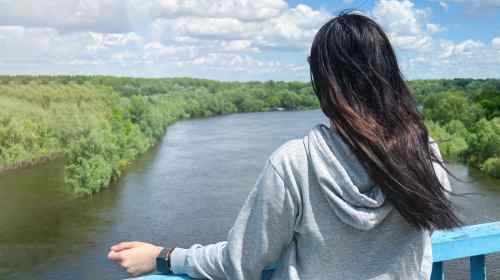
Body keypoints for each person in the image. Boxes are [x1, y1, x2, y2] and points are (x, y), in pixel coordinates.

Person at [107, 11, 461, 280]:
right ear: (389, 74)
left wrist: (165, 257)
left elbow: (241, 263)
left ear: (323, 81)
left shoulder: (297, 163)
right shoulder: (424, 153)